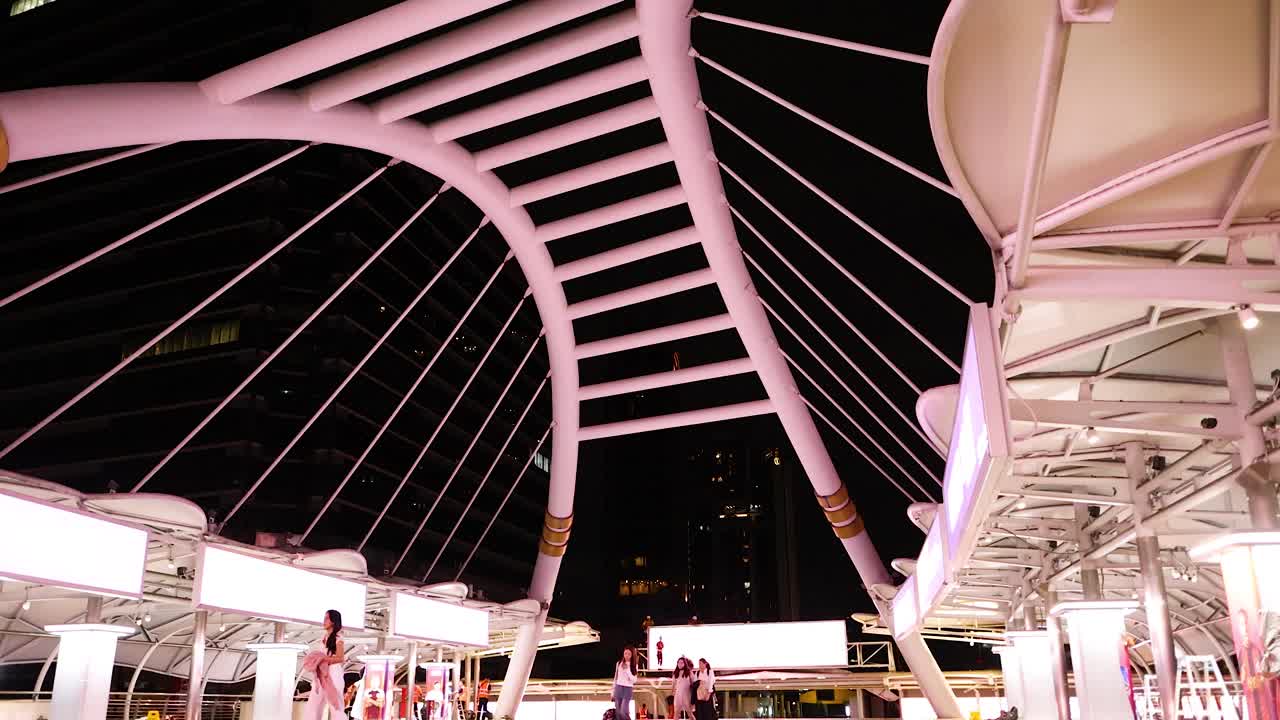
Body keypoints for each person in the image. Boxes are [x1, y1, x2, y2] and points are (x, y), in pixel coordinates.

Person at [303, 609, 346, 720]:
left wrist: (322, 659)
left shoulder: (338, 638)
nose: (324, 621)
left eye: (326, 618)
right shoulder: (324, 638)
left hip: (333, 673)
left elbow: (340, 658)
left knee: (335, 705)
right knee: (313, 704)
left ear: (333, 621)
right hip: (322, 673)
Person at [613, 647, 638, 720]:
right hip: (618, 688)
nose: (627, 655)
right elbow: (616, 677)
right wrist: (612, 691)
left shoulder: (634, 665)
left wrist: (627, 670)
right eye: (625, 653)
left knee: (623, 711)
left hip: (627, 689)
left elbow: (634, 680)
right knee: (618, 712)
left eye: (629, 654)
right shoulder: (619, 663)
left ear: (632, 655)